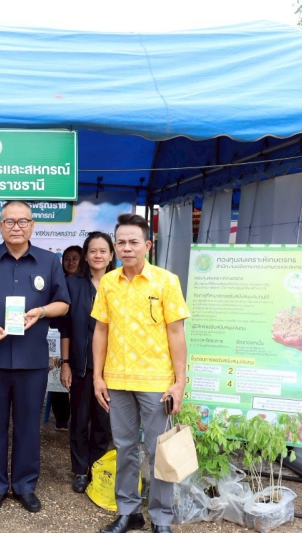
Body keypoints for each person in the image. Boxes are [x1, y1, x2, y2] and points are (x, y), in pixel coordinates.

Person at [0, 200, 70, 513]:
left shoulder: (50, 262)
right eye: (9, 221)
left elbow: (63, 303)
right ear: (0, 226)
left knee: (27, 426)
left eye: (23, 221)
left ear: (33, 225)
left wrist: (41, 311)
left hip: (32, 359)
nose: (16, 227)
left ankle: (24, 485)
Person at [92, 214, 189, 533]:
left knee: (160, 450)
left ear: (148, 245)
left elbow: (176, 333)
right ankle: (129, 512)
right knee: (124, 447)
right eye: (120, 242)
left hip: (156, 383)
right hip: (117, 381)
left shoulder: (166, 281)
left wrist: (179, 382)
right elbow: (101, 332)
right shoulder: (108, 282)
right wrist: (98, 376)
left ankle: (161, 518)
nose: (126, 248)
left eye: (134, 242)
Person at [58, 233, 115, 493]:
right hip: (81, 365)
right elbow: (66, 329)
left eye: (103, 251)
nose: (98, 256)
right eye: (93, 251)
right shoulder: (73, 285)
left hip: (112, 368)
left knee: (103, 422)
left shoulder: (120, 285)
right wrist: (66, 363)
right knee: (79, 420)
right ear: (85, 255)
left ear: (111, 255)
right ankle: (80, 470)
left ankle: (97, 467)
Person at [49, 244, 84, 431]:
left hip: (77, 337)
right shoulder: (57, 282)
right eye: (67, 258)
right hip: (57, 334)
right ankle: (61, 419)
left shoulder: (87, 283)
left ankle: (79, 420)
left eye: (75, 258)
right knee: (57, 375)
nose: (70, 262)